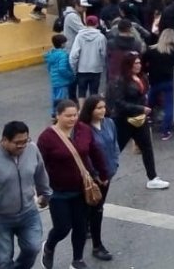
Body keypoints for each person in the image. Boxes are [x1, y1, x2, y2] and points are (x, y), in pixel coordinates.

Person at [37, 100, 110, 269]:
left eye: (75, 115)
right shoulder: (47, 137)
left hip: (81, 189)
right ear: (58, 115)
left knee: (80, 226)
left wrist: (102, 174)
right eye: (68, 115)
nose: (72, 119)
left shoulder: (83, 130)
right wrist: (41, 190)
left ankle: (77, 260)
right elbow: (39, 165)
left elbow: (94, 152)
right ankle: (49, 246)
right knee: (62, 227)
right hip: (57, 191)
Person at [110, 53, 169, 190]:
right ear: (128, 65)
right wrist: (140, 108)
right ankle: (102, 176)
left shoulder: (142, 77)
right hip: (123, 120)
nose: (138, 65)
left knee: (147, 148)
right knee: (115, 150)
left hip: (140, 119)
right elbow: (118, 103)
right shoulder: (120, 81)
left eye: (139, 63)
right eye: (135, 63)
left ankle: (153, 177)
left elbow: (144, 95)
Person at [0, 121, 51, 269]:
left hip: (28, 213)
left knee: (33, 248)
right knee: (3, 260)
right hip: (1, 217)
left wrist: (45, 194)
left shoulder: (32, 149)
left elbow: (41, 172)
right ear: (4, 140)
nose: (22, 146)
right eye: (17, 143)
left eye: (25, 141)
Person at [78, 96, 119, 262]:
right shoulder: (83, 129)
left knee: (97, 209)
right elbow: (85, 155)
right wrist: (97, 175)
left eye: (103, 107)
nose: (102, 110)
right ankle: (97, 245)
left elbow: (115, 146)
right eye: (98, 108)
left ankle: (93, 237)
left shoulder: (109, 123)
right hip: (93, 177)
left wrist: (113, 167)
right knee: (95, 210)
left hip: (107, 174)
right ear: (90, 110)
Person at [144, 29, 174, 141]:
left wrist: (148, 70)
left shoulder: (151, 50)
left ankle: (146, 120)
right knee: (169, 106)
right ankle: (165, 131)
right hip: (169, 81)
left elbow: (143, 61)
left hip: (154, 81)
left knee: (149, 101)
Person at [69, 16, 107, 105]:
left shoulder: (79, 36)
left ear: (85, 23)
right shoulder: (101, 37)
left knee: (81, 92)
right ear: (97, 24)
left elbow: (74, 55)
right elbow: (104, 53)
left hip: (82, 68)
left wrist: (74, 68)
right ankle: (92, 110)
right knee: (94, 92)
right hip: (96, 69)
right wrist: (103, 65)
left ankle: (81, 111)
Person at [45, 34, 75, 119]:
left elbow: (49, 67)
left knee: (55, 97)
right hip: (62, 81)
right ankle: (59, 113)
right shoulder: (63, 55)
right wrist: (71, 75)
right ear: (62, 44)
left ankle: (54, 112)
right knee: (62, 98)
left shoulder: (51, 54)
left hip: (55, 80)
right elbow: (62, 69)